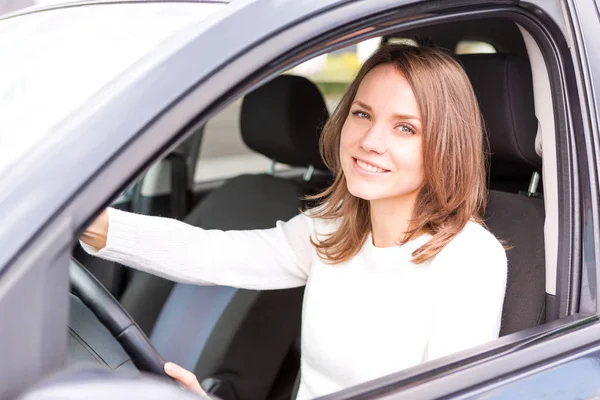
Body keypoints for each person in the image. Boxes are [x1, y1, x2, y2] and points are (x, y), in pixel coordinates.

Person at [80, 43, 507, 400]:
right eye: (362, 114)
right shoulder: (336, 228)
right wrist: (97, 226)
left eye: (405, 128)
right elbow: (214, 254)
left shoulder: (469, 258)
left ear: (445, 144)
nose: (370, 141)